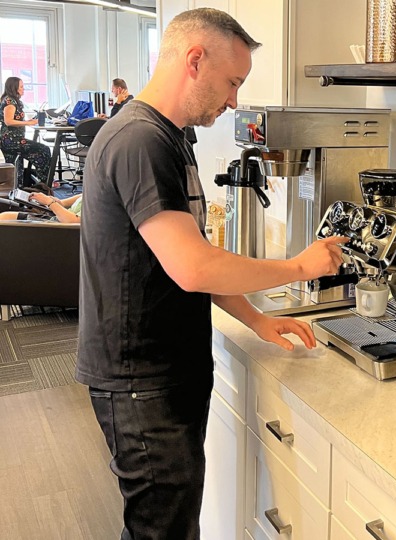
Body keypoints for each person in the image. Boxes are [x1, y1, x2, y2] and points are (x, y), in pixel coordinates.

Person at [75, 8, 348, 540]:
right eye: (232, 82)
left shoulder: (171, 136)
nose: (234, 101)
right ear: (195, 60)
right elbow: (196, 267)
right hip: (141, 380)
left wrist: (256, 320)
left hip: (158, 372)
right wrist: (299, 265)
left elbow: (189, 256)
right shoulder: (141, 141)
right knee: (164, 531)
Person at [0, 77, 51, 183]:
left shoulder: (12, 100)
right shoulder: (10, 101)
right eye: (21, 87)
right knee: (44, 150)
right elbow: (8, 121)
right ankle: (43, 183)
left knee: (16, 169)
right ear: (15, 88)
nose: (24, 89)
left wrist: (28, 121)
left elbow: (15, 119)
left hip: (11, 140)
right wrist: (28, 123)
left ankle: (20, 188)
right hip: (11, 141)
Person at [0, 192, 81, 223]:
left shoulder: (93, 200)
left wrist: (50, 202)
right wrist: (58, 202)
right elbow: (65, 203)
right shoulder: (91, 191)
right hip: (58, 218)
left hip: (62, 227)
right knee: (5, 216)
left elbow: (72, 222)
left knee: (4, 219)